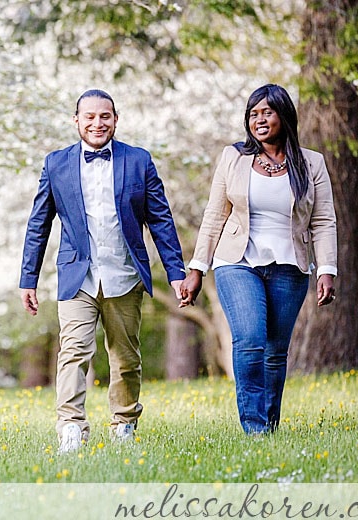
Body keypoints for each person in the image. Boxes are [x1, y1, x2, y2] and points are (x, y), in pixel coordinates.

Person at [20, 89, 186, 454]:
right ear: (76, 120)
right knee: (73, 352)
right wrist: (28, 279)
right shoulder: (56, 164)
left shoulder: (139, 161)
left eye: (105, 116)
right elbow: (38, 224)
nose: (98, 123)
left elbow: (160, 220)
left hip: (124, 275)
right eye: (90, 117)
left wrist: (176, 272)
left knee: (125, 357)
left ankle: (124, 424)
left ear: (116, 119)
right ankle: (70, 428)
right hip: (77, 275)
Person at [178, 83, 338, 435]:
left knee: (275, 351)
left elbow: (323, 219)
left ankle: (269, 424)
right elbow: (214, 215)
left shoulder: (312, 163)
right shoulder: (234, 158)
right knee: (250, 339)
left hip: (290, 267)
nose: (259, 119)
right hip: (237, 263)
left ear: (284, 115)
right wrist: (196, 268)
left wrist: (327, 269)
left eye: (267, 112)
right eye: (253, 114)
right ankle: (253, 428)